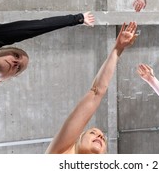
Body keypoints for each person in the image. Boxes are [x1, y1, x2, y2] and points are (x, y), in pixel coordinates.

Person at [0, 11, 95, 137]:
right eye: (15, 55)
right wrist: (75, 19)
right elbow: (23, 29)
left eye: (19, 68)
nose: (16, 63)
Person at [45, 22, 138, 154]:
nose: (100, 137)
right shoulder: (59, 153)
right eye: (93, 133)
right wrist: (117, 49)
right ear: (76, 140)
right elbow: (96, 93)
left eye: (99, 136)